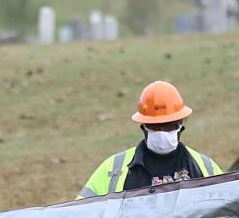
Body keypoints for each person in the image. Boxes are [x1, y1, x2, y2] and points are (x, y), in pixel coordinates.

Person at [76, 80, 222, 199]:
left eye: (169, 125)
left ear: (181, 126)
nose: (162, 132)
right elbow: (82, 214)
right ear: (144, 127)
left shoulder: (206, 168)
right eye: (156, 126)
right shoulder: (112, 169)